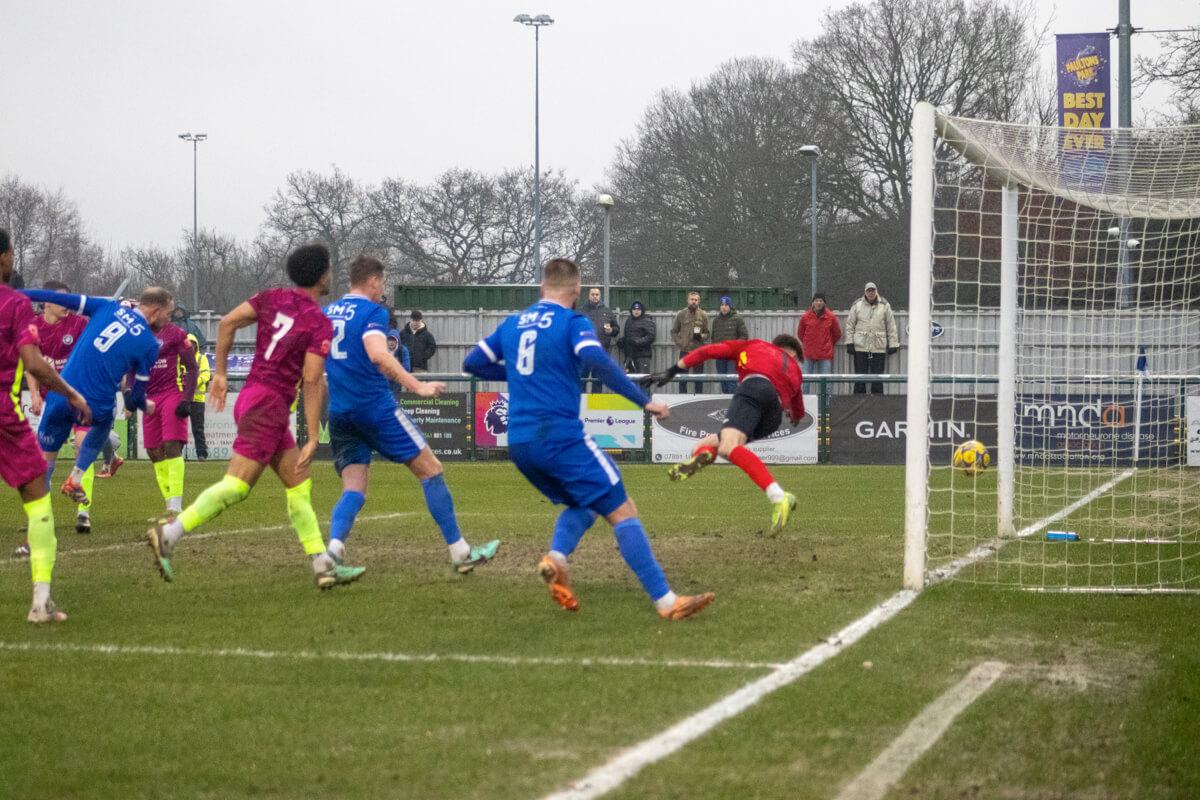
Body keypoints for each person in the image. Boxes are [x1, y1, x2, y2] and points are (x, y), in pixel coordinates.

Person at [463, 257, 714, 620]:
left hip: (519, 443)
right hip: (559, 437)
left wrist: (519, 374)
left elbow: (472, 363)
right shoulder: (572, 322)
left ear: (541, 288)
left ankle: (556, 559)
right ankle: (666, 601)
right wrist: (645, 402)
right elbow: (597, 360)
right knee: (621, 507)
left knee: (585, 503)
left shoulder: (513, 324)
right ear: (577, 291)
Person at [146, 243, 365, 590]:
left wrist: (220, 373)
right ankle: (170, 533)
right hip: (270, 405)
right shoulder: (318, 322)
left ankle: (323, 565)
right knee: (236, 486)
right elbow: (311, 380)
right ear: (323, 276)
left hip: (253, 397)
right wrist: (312, 435)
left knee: (298, 482)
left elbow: (228, 322)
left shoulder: (272, 297)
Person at [323, 255, 500, 573]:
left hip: (339, 412)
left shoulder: (327, 313)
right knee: (431, 469)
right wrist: (416, 385)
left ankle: (332, 555)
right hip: (375, 408)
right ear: (374, 281)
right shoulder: (373, 311)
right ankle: (461, 553)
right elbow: (379, 355)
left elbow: (312, 367)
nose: (383, 291)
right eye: (383, 283)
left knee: (353, 488)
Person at [0, 227, 93, 622]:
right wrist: (71, 394)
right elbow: (34, 362)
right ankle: (41, 601)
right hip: (4, 410)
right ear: (5, 256)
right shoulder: (15, 304)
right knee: (38, 494)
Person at [21, 285, 171, 518]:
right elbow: (137, 395)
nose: (169, 320)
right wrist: (145, 405)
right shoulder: (150, 345)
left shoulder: (106, 306)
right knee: (105, 421)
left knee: (45, 462)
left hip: (61, 396)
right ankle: (77, 477)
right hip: (95, 406)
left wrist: (17, 293)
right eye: (168, 314)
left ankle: (38, 520)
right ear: (155, 310)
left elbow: (51, 296)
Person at [645, 334, 805, 533]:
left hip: (755, 388)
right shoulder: (796, 371)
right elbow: (799, 413)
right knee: (710, 444)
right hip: (773, 416)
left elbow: (707, 351)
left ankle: (779, 496)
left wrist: (673, 370)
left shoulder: (756, 345)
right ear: (794, 355)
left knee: (729, 446)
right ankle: (704, 454)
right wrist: (795, 413)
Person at [24, 280, 91, 535]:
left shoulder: (79, 324)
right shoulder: (33, 328)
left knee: (81, 446)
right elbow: (31, 363)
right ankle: (43, 517)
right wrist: (34, 395)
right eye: (63, 300)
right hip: (51, 399)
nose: (69, 306)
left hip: (78, 395)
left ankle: (84, 513)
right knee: (44, 464)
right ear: (47, 302)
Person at [141, 316, 196, 516]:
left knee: (172, 445)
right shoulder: (139, 333)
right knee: (154, 452)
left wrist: (187, 399)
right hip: (149, 397)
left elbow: (192, 367)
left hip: (174, 392)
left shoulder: (176, 333)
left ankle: (175, 506)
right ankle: (169, 504)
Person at [844, 281, 898, 395]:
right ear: (865, 292)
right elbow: (850, 325)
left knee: (877, 379)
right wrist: (850, 342)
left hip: (878, 347)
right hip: (860, 347)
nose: (871, 293)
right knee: (859, 378)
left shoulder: (884, 305)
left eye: (873, 290)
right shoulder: (857, 305)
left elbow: (891, 325)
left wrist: (893, 344)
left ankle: (877, 405)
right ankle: (857, 404)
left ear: (876, 291)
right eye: (868, 290)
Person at [796, 292, 842, 394]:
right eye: (816, 300)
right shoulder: (805, 317)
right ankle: (805, 407)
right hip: (808, 354)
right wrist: (809, 343)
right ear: (813, 302)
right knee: (805, 382)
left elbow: (837, 334)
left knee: (826, 382)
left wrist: (828, 344)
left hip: (825, 355)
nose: (819, 303)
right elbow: (800, 334)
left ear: (824, 303)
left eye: (821, 301)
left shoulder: (831, 317)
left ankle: (825, 407)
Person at [670, 290, 709, 393]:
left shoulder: (703, 315)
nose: (694, 302)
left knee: (698, 379)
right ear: (688, 300)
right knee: (682, 379)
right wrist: (680, 342)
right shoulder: (681, 314)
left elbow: (707, 333)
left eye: (696, 300)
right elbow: (674, 332)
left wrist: (701, 336)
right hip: (685, 351)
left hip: (698, 352)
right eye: (692, 299)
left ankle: (699, 401)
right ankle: (682, 399)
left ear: (699, 301)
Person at [581, 287, 618, 393]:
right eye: (592, 294)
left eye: (597, 294)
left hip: (601, 351)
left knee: (597, 379)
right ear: (589, 296)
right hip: (585, 351)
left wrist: (611, 331)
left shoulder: (607, 311)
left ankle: (595, 407)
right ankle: (580, 406)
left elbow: (617, 329)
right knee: (582, 379)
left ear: (600, 296)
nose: (595, 296)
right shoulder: (582, 311)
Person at [709, 295, 748, 393]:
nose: (724, 307)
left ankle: (733, 404)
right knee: (723, 380)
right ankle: (726, 404)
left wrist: (734, 347)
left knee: (731, 380)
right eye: (722, 305)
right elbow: (713, 337)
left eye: (726, 305)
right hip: (720, 356)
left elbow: (744, 336)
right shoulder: (716, 321)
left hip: (732, 357)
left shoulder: (737, 318)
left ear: (730, 306)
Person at [186, 333, 210, 461]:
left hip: (197, 400)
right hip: (183, 399)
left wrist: (192, 382)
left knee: (198, 429)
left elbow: (206, 375)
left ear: (196, 345)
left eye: (192, 344)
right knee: (179, 429)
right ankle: (177, 454)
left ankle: (202, 454)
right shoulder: (181, 358)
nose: (190, 346)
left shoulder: (202, 359)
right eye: (188, 343)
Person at [617, 300, 654, 374]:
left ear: (642, 310)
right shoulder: (628, 321)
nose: (636, 311)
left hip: (642, 356)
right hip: (630, 355)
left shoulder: (647, 321)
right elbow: (629, 336)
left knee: (643, 379)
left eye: (638, 309)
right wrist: (623, 341)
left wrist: (637, 342)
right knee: (630, 380)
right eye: (634, 309)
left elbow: (651, 336)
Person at [384, 328, 411, 394]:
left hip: (398, 382)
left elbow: (407, 368)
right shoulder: (383, 351)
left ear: (397, 341)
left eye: (394, 340)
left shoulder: (403, 350)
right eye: (389, 339)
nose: (391, 342)